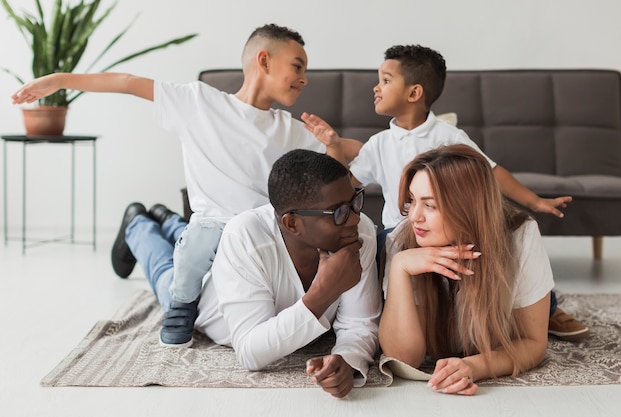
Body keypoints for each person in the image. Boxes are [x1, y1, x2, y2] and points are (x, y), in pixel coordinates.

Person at [12, 24, 355, 348]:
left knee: (196, 241)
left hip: (256, 238)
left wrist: (376, 142)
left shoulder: (291, 130)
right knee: (190, 257)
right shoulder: (199, 103)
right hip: (210, 233)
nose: (304, 79)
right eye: (297, 67)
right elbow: (127, 81)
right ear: (263, 60)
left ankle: (161, 220)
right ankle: (150, 246)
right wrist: (58, 80)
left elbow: (350, 156)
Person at [303, 44, 589, 342]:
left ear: (414, 93)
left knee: (503, 250)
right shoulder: (380, 143)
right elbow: (346, 185)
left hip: (451, 228)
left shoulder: (449, 137)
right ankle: (372, 318)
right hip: (397, 233)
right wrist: (334, 146)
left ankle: (546, 309)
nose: (376, 87)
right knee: (370, 253)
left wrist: (535, 201)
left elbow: (490, 172)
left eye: (386, 80)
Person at [117, 149, 382, 398]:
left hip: (231, 264)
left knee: (183, 240)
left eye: (355, 201)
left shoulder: (359, 233)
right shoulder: (245, 236)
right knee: (165, 271)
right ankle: (138, 223)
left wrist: (348, 359)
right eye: (339, 212)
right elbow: (249, 352)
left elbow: (358, 325)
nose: (355, 218)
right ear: (292, 223)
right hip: (203, 301)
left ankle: (169, 220)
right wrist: (323, 294)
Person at [379, 144, 553, 395]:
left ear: (467, 208)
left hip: (507, 269)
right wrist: (399, 269)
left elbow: (534, 343)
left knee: (548, 306)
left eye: (430, 205)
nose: (414, 216)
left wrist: (475, 365)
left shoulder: (520, 236)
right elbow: (403, 358)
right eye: (412, 201)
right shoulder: (402, 240)